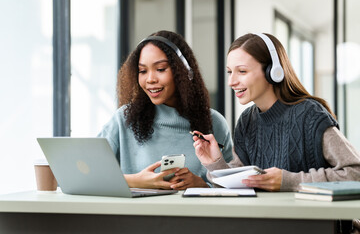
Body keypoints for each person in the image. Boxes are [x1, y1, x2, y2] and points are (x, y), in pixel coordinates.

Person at [193, 32, 360, 192]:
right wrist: (215, 163)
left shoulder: (310, 115)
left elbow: (355, 173)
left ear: (273, 72)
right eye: (230, 72)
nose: (231, 82)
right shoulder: (247, 121)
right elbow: (242, 184)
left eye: (242, 71)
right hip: (267, 220)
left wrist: (288, 181)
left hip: (313, 221)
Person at [98, 30, 233, 190]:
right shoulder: (124, 119)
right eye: (142, 71)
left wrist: (203, 185)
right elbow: (88, 175)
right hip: (135, 215)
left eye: (160, 69)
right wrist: (136, 181)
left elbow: (233, 186)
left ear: (183, 71)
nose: (150, 79)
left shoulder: (215, 123)